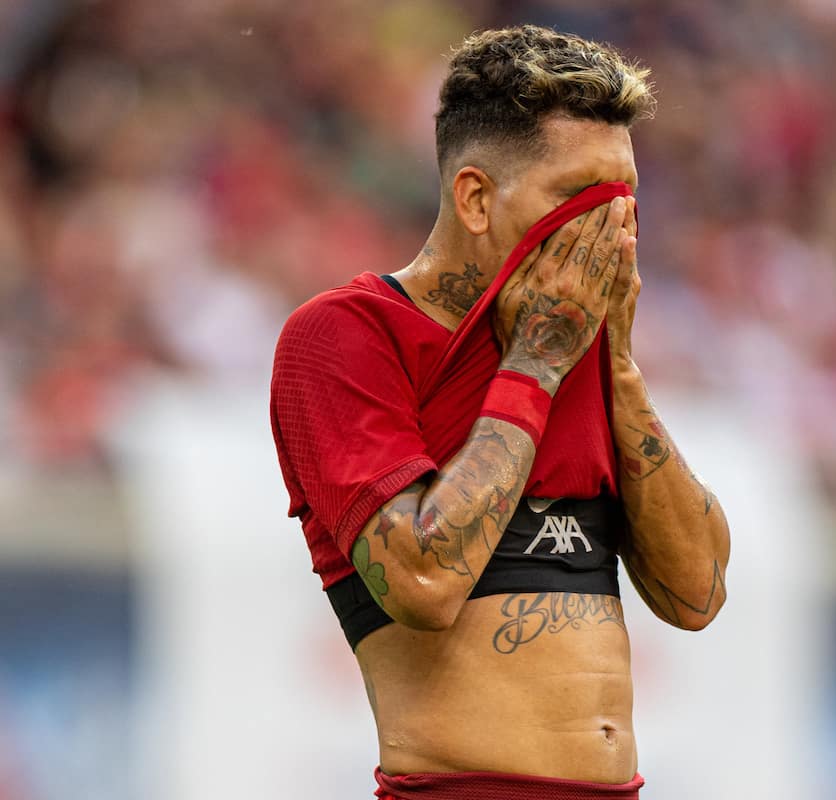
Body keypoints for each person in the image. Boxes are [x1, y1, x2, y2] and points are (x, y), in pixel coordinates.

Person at [269, 24, 731, 800]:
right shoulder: (344, 336)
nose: (609, 229)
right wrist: (537, 364)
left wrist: (616, 361)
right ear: (476, 198)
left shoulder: (578, 342)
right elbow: (423, 581)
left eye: (624, 199)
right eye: (578, 199)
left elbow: (697, 593)